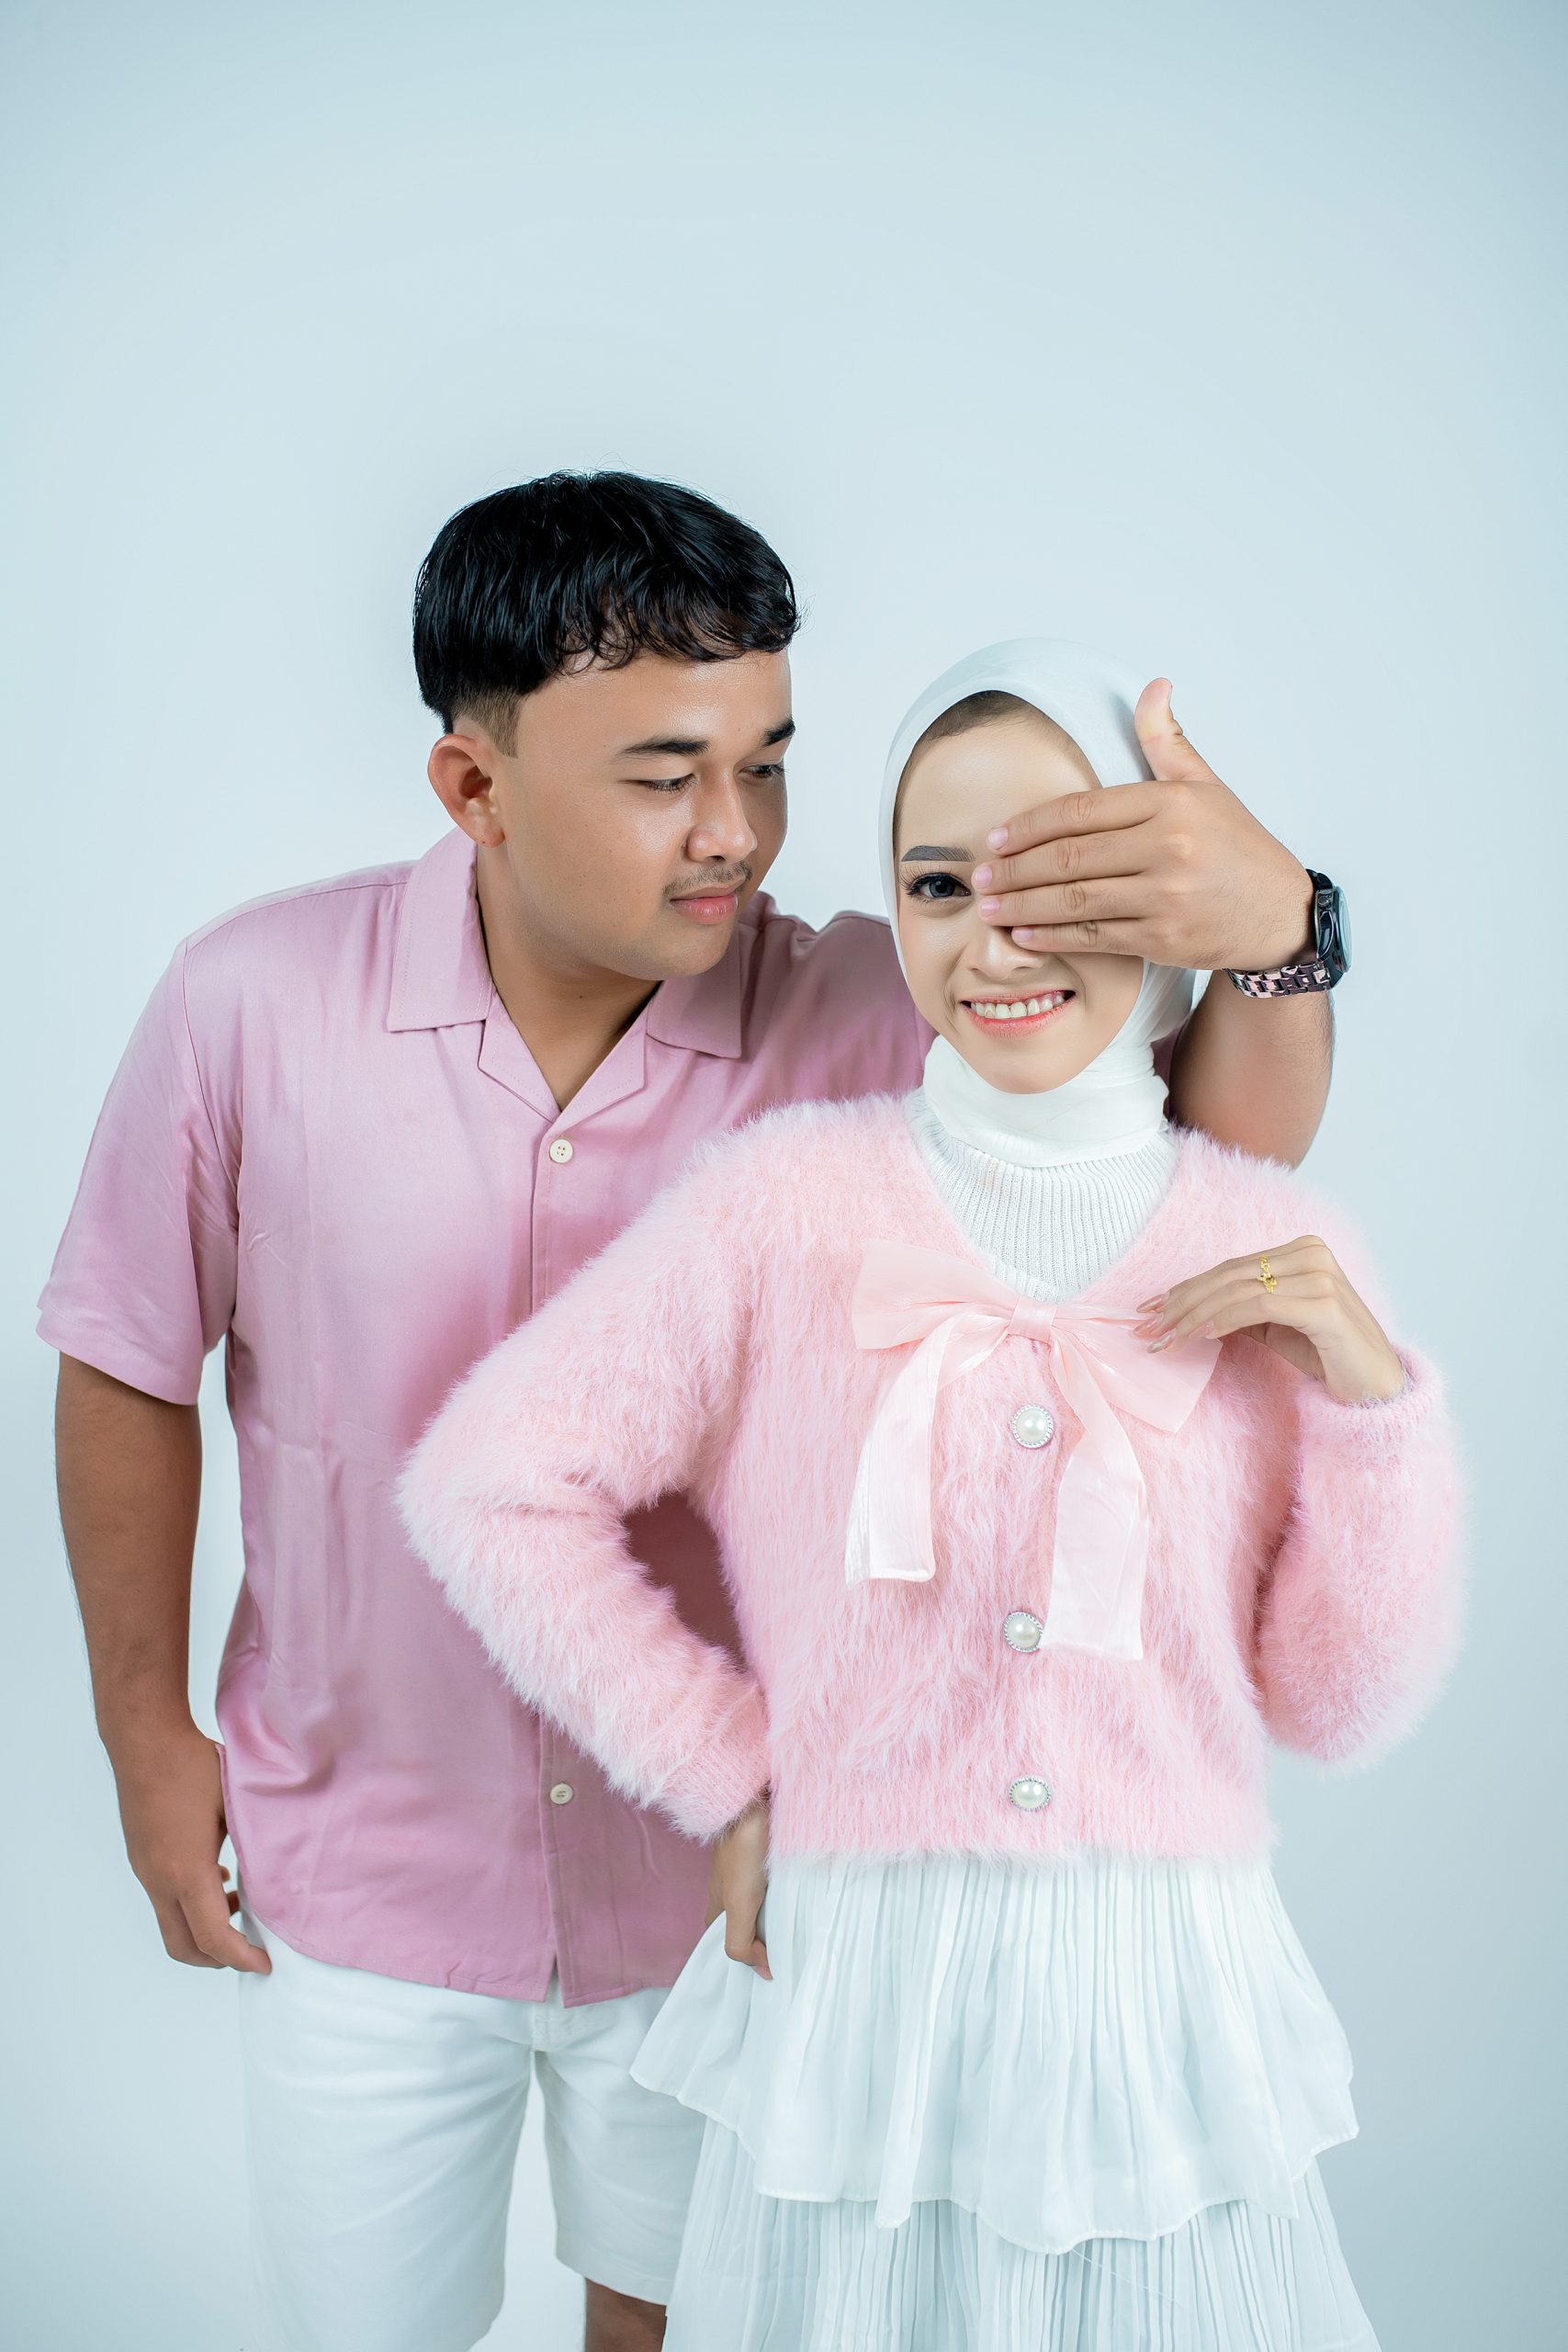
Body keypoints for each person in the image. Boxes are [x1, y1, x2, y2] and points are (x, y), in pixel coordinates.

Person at [42, 476, 1340, 2352]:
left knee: (678, 2327)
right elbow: (125, 1359)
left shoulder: (863, 1012)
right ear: (474, 786)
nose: (736, 831)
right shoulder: (248, 1005)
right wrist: (141, 1736)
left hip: (736, 1899)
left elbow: (1200, 1171)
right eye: (665, 775)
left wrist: (1283, 930)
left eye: (768, 763)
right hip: (354, 1863)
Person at [398, 639, 1462, 2351]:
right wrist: (727, 1767)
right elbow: (489, 1481)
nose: (997, 941)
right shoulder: (783, 1207)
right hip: (856, 1993)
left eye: (1062, 879)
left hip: (1158, 2007)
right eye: (943, 884)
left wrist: (1373, 1416)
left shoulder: (1273, 1242)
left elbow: (1338, 1709)